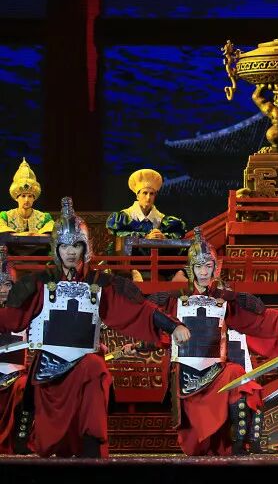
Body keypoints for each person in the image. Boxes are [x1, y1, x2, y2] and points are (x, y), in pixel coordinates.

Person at [0, 197, 190, 458]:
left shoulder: (101, 283)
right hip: (49, 370)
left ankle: (93, 448)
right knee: (48, 443)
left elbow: (139, 309)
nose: (71, 252)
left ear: (85, 246)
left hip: (85, 365)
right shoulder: (39, 283)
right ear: (57, 247)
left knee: (96, 368)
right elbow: (11, 318)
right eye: (65, 245)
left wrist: (172, 325)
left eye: (76, 245)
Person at [143, 228, 278, 456]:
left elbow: (262, 319)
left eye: (208, 266)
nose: (203, 272)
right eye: (198, 266)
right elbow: (148, 319)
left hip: (218, 374)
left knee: (238, 375)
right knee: (196, 447)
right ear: (191, 268)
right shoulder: (173, 300)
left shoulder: (226, 301)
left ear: (215, 267)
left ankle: (241, 447)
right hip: (187, 379)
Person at [106, 168, 187, 246]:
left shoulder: (162, 219)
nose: (148, 197)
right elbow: (117, 236)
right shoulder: (124, 217)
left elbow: (179, 234)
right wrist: (145, 237)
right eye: (145, 193)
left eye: (152, 194)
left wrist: (164, 237)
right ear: (137, 195)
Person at [0, 247, 29, 454]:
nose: (2, 289)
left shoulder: (25, 314)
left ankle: (21, 441)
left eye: (7, 284)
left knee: (27, 387)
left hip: (15, 376)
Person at [0, 159, 54, 236]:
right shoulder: (5, 216)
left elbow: (52, 234)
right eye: (23, 196)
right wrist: (25, 235)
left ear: (34, 198)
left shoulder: (44, 217)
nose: (26, 200)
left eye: (30, 196)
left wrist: (35, 235)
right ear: (16, 198)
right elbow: (2, 232)